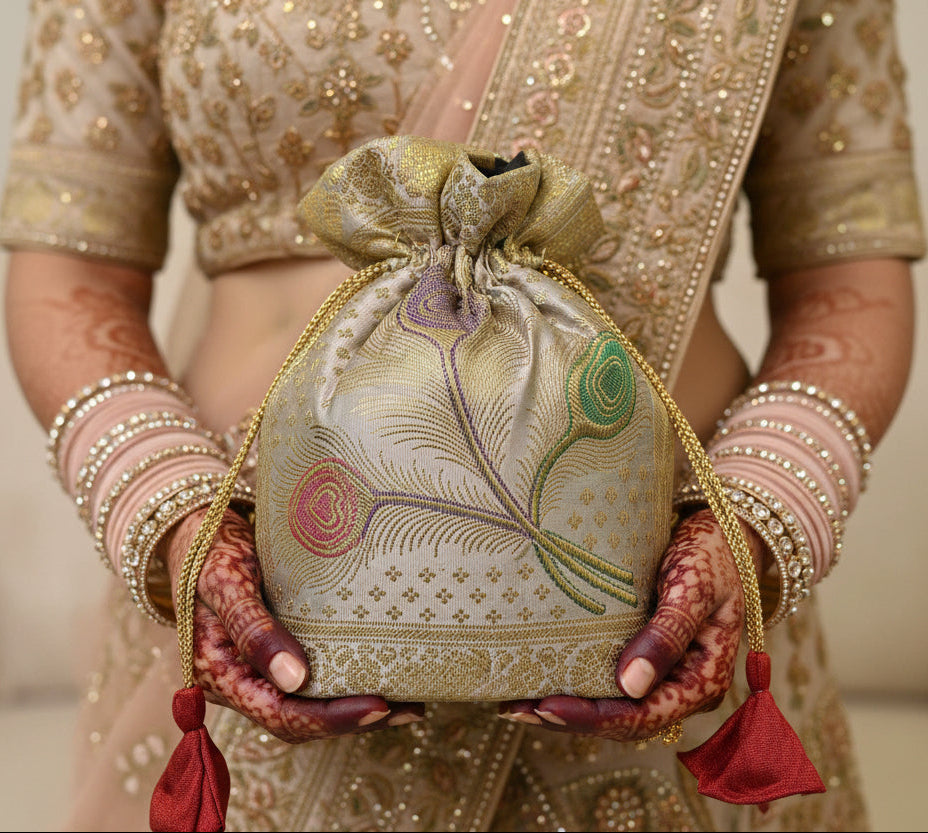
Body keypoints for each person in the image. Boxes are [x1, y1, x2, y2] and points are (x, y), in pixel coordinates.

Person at [1, 0, 923, 830]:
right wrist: (165, 509)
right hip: (246, 599)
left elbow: (847, 280)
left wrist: (757, 519)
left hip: (668, 621)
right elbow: (71, 274)